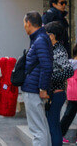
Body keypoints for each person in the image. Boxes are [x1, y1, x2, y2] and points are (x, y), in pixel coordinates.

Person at [22, 11, 53, 146]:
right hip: (35, 88)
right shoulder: (40, 38)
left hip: (34, 89)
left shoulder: (39, 40)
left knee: (37, 130)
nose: (24, 26)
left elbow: (46, 66)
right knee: (42, 127)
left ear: (28, 23)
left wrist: (43, 88)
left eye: (24, 23)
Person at [44, 22, 73, 146]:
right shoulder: (52, 49)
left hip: (57, 94)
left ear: (52, 36)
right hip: (53, 94)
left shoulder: (59, 50)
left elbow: (68, 70)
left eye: (46, 34)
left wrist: (50, 79)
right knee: (52, 125)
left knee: (53, 125)